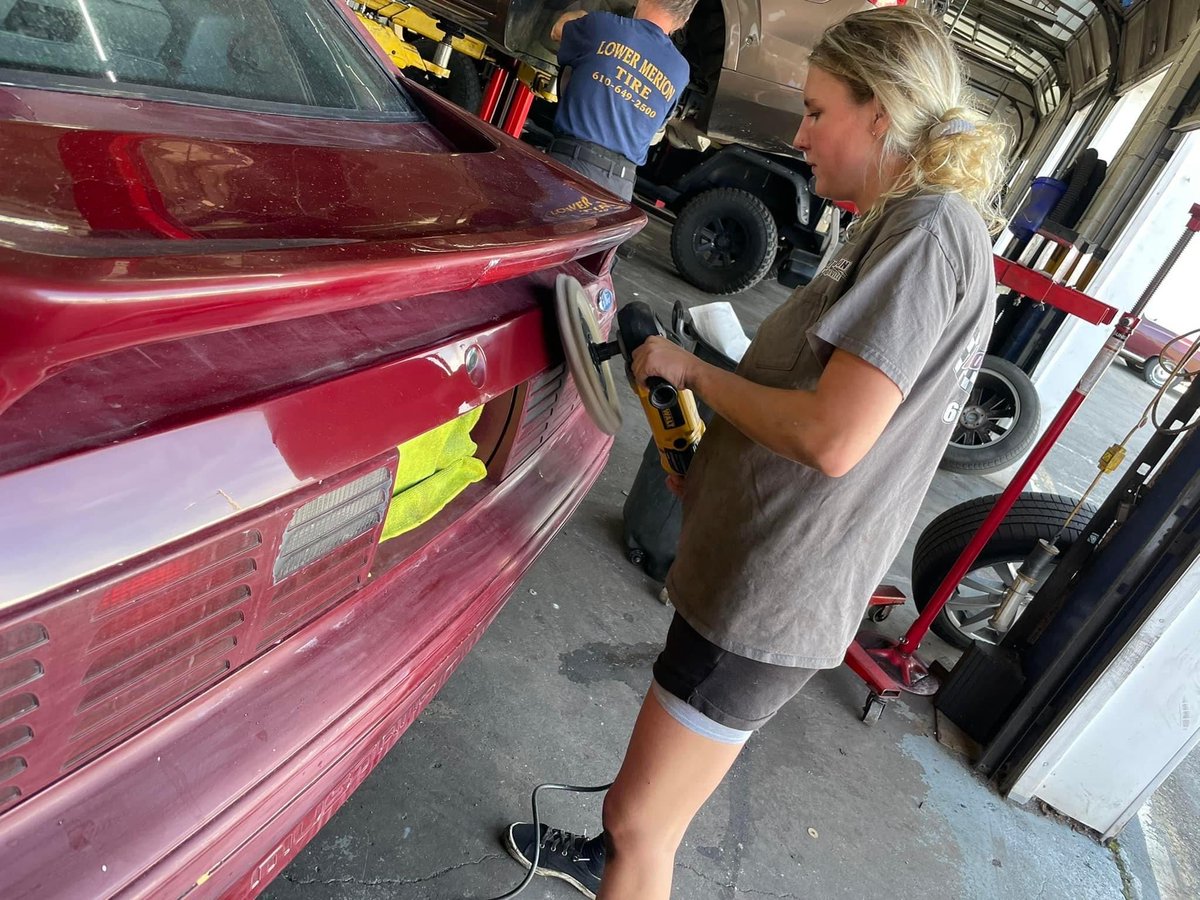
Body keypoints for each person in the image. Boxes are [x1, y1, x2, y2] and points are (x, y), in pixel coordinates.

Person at [504, 7, 1009, 899]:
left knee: (639, 831)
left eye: (818, 112)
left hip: (772, 590)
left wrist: (691, 372)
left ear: (881, 112)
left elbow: (832, 435)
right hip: (778, 571)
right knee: (642, 815)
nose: (801, 135)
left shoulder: (925, 234)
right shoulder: (930, 227)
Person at [545, 0, 694, 201]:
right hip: (619, 190)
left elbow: (557, 30)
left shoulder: (602, 26)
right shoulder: (681, 71)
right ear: (683, 21)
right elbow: (657, 130)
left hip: (572, 171)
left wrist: (581, 17)